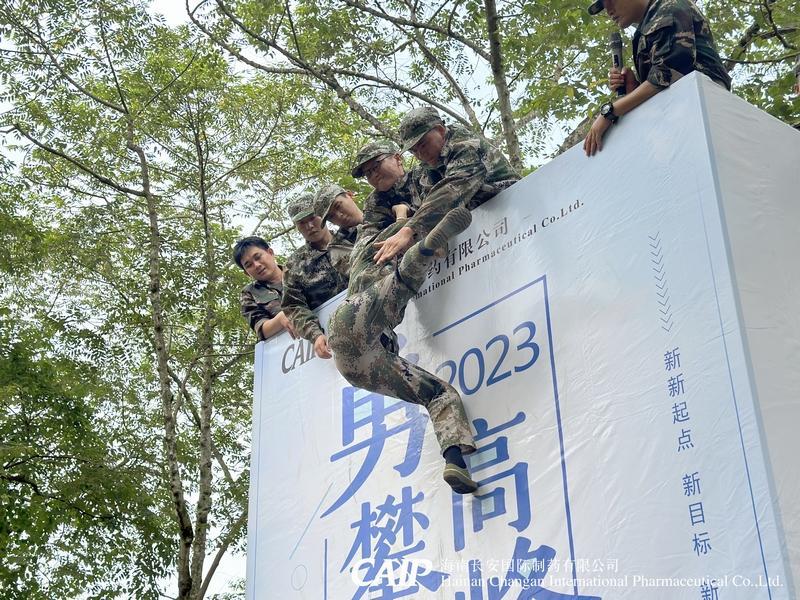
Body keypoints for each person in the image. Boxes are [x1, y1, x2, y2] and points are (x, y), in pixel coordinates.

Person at [328, 207, 480, 494]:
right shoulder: (369, 244)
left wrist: (402, 219)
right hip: (357, 315)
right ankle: (424, 248)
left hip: (357, 364)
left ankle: (455, 462)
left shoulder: (363, 245)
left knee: (438, 393)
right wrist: (403, 218)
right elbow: (396, 234)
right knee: (403, 279)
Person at [373, 106, 519, 265]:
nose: (420, 154)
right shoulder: (428, 167)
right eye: (414, 151)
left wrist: (407, 230)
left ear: (440, 130)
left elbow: (450, 192)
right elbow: (427, 202)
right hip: (479, 232)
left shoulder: (465, 146)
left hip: (512, 212)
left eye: (423, 145)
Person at [584, 0, 731, 156]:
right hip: (681, 114)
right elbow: (661, 85)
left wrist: (609, 112)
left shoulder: (668, 7)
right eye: (604, 6)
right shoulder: (645, 27)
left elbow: (668, 73)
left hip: (703, 107)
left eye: (610, 1)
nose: (608, 11)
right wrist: (633, 86)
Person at [281, 191, 359, 359]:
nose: (309, 226)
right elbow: (294, 306)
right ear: (297, 227)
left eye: (312, 218)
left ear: (323, 215)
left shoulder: (353, 236)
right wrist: (315, 335)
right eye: (302, 223)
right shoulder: (294, 265)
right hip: (339, 339)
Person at [234, 236, 295, 341]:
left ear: (270, 252)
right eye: (249, 265)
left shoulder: (297, 270)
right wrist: (280, 319)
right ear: (246, 273)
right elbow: (261, 329)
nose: (256, 265)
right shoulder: (249, 293)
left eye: (258, 257)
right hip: (290, 345)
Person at [351, 139, 421, 230]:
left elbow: (435, 209)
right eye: (368, 173)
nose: (374, 175)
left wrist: (406, 211)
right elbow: (369, 236)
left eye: (376, 166)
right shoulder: (374, 202)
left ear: (398, 159)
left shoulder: (421, 176)